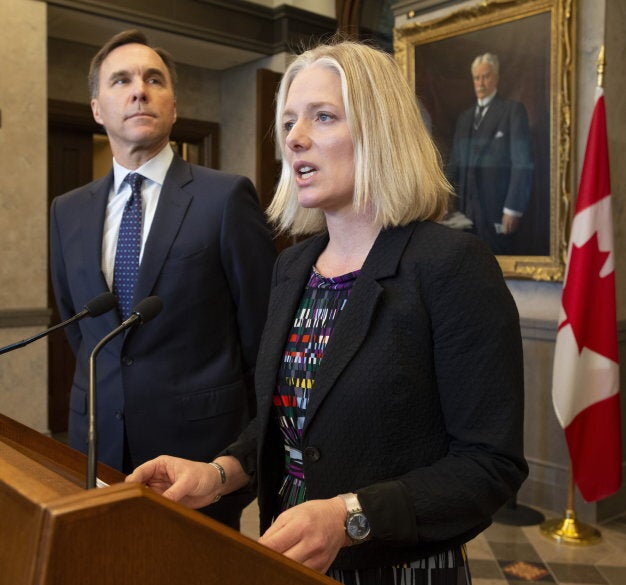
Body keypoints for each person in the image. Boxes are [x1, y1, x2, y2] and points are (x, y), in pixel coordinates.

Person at [127, 40, 528, 583]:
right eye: (289, 120)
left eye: (323, 116)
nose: (294, 137)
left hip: (397, 569)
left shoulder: (452, 264)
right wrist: (220, 474)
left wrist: (351, 518)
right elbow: (291, 423)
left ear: (380, 132)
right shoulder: (293, 266)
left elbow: (489, 465)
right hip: (290, 562)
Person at [49, 29, 276, 529]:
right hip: (98, 445)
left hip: (199, 451)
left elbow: (263, 333)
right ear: (96, 108)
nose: (139, 90)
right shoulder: (66, 211)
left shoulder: (225, 198)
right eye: (122, 80)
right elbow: (79, 325)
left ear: (173, 106)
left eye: (154, 79)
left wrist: (248, 453)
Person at [448, 53, 534, 255]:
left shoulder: (512, 111)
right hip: (464, 214)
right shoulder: (465, 118)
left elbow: (522, 163)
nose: (481, 82)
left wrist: (512, 209)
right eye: (477, 78)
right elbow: (455, 164)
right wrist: (445, 201)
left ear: (496, 78)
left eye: (486, 76)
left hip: (496, 209)